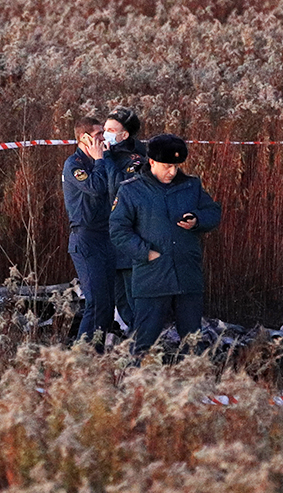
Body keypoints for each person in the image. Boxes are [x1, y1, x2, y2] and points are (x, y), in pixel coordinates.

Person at [109, 134, 221, 358]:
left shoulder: (191, 186)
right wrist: (146, 253)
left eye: (176, 166)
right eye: (167, 166)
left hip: (187, 275)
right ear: (152, 162)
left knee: (194, 342)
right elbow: (118, 231)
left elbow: (213, 212)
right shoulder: (131, 190)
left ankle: (196, 386)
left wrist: (197, 220)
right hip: (152, 277)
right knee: (143, 340)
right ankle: (135, 385)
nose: (172, 171)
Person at [62, 117, 115, 349]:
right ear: (84, 138)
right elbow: (96, 187)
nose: (103, 138)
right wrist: (100, 161)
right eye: (98, 135)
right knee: (94, 302)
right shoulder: (74, 164)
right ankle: (81, 355)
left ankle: (97, 352)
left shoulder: (102, 160)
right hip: (85, 238)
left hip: (106, 236)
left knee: (107, 303)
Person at [102, 107, 147, 333]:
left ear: (125, 135)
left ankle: (143, 343)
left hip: (129, 238)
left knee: (133, 298)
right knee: (119, 298)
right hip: (109, 238)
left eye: (111, 130)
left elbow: (117, 190)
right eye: (105, 129)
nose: (105, 134)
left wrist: (107, 159)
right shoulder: (105, 154)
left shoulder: (136, 160)